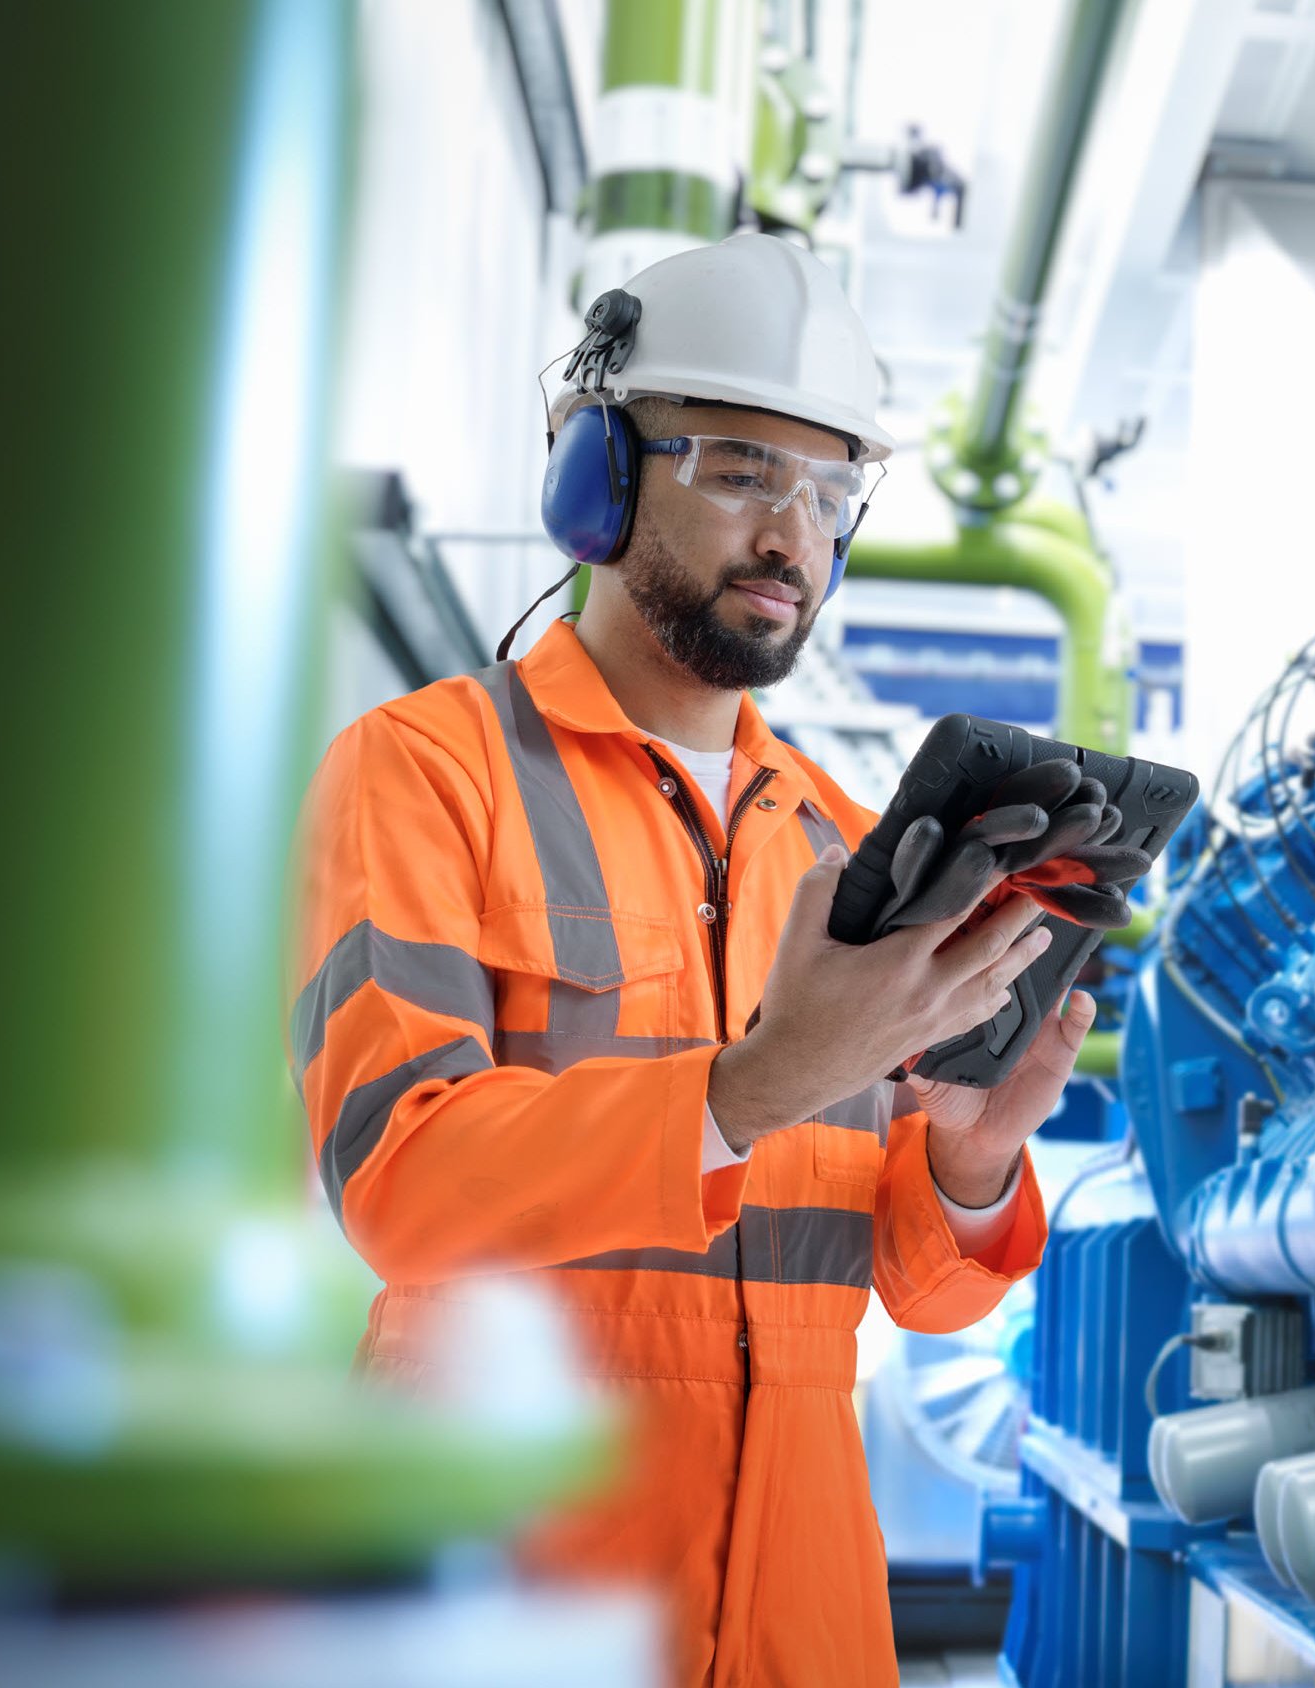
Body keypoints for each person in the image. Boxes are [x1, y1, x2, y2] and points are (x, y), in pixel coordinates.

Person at [289, 232, 1079, 1686]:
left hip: (807, 1626)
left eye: (831, 488)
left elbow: (919, 1290)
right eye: (738, 470)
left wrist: (968, 1165)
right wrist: (756, 1084)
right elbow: (398, 1181)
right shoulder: (423, 775)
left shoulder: (852, 848)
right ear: (599, 474)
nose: (793, 533)